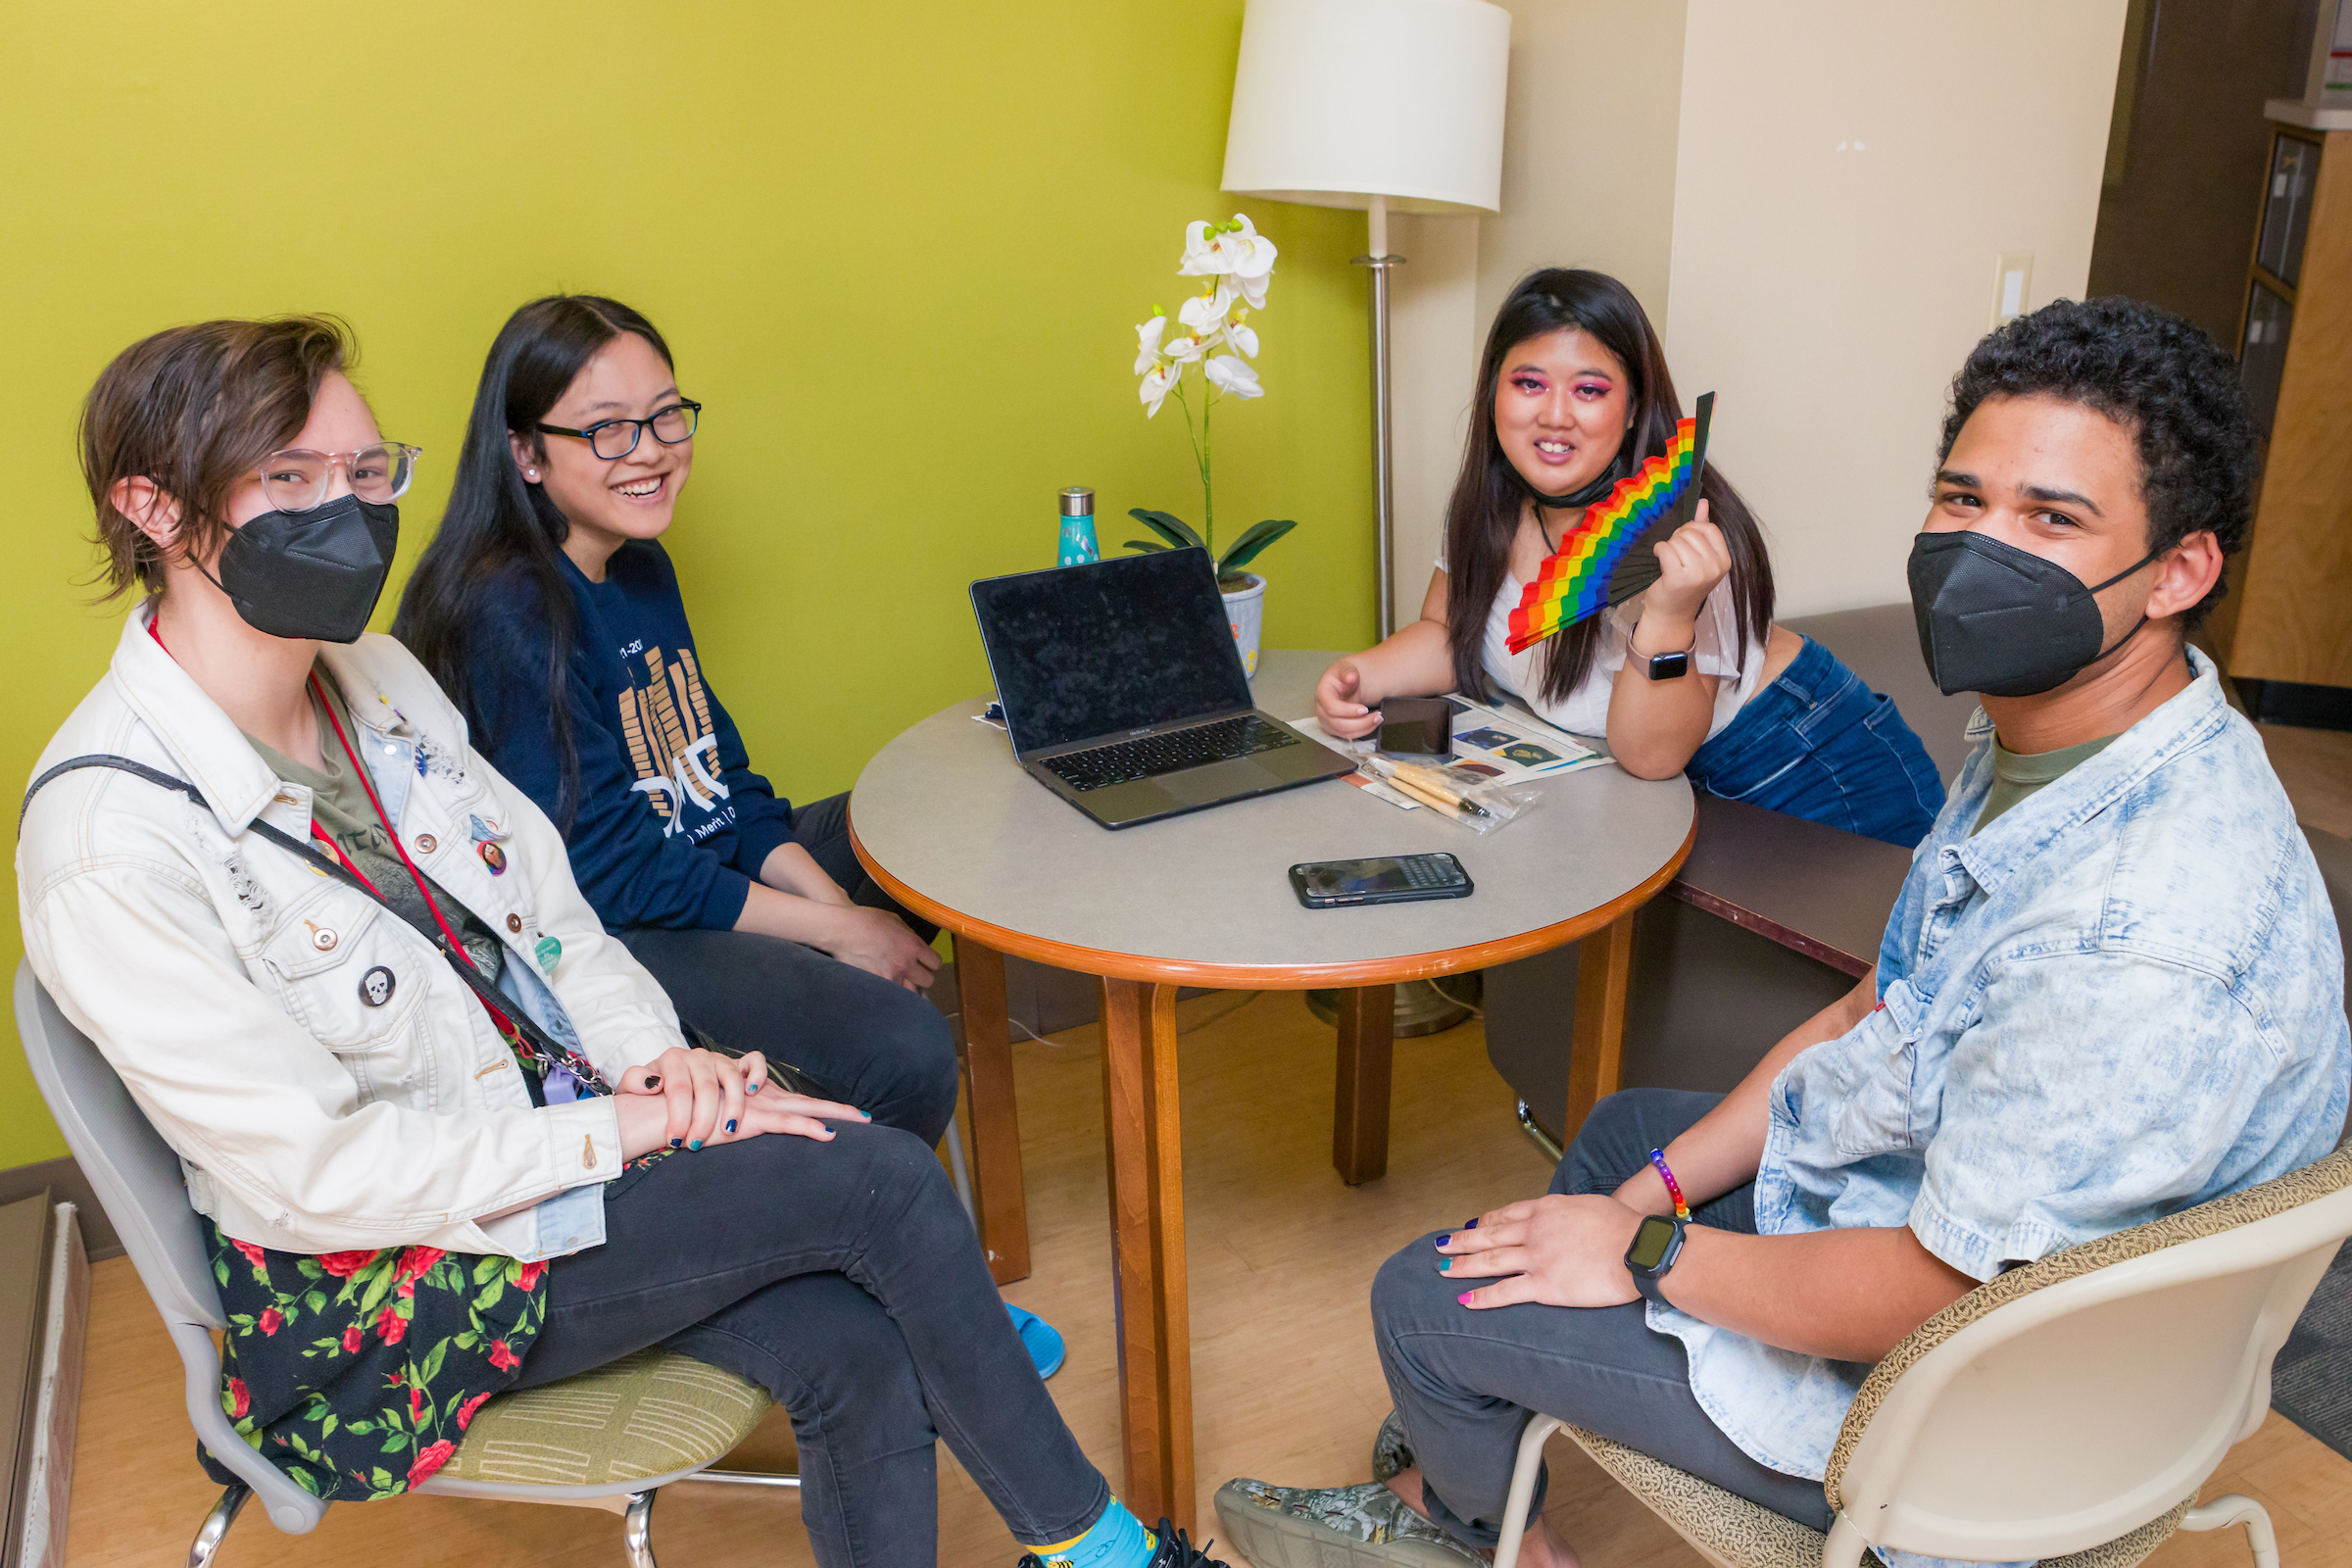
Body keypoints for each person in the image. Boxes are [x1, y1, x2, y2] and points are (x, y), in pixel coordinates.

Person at [19, 316, 1215, 1568]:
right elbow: (323, 1175)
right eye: (292, 478)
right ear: (153, 509)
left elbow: (552, 916)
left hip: (540, 1150)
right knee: (881, 1181)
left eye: (369, 473)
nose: (350, 513)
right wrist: (627, 1129)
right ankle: (1110, 1555)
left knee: (853, 1340)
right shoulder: (108, 841)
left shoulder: (374, 680)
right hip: (378, 1290)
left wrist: (663, 1066)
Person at [1215, 296, 2351, 1568]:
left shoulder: (2138, 940)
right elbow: (1874, 1010)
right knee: (1626, 1134)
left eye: (2052, 518)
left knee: (1421, 1300)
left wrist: (1647, 1248)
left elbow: (1941, 1296)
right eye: (1962, 498)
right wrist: (1636, 1207)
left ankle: (1469, 1514)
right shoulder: (2059, 740)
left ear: (2181, 571)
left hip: (1967, 1418)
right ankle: (1489, 1416)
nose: (1982, 548)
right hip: (1972, 1253)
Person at [391, 295, 1063, 1375]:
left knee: (917, 851)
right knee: (902, 1046)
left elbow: (724, 785)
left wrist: (842, 912)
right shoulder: (504, 609)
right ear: (525, 453)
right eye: (607, 429)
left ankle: (897, 1237)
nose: (650, 450)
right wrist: (839, 936)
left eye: (667, 416)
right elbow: (610, 872)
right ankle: (892, 1287)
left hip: (687, 871)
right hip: (612, 937)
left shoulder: (638, 565)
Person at [1314, 270, 1944, 848]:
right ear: (1492, 393)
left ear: (1634, 407)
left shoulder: (1679, 530)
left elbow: (1651, 756)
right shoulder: (1489, 506)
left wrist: (1670, 613)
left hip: (1808, 761)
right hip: (1667, 792)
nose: (1554, 416)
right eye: (1529, 383)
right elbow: (1447, 632)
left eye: (1589, 390)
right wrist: (1361, 676)